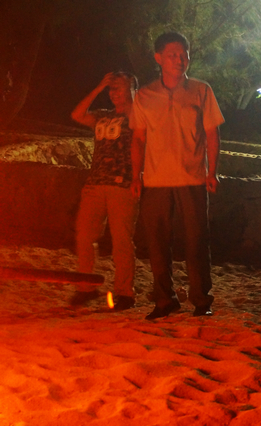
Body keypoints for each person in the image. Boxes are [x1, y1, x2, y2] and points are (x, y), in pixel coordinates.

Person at [130, 32, 225, 319]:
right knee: (157, 243)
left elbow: (212, 134)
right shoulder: (144, 95)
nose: (179, 60)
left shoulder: (201, 91)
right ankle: (164, 300)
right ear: (158, 58)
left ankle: (201, 300)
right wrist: (136, 176)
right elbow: (138, 138)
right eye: (172, 55)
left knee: (196, 242)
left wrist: (212, 171)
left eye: (184, 54)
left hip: (192, 178)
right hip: (156, 181)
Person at [71, 71, 138, 311]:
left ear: (132, 89)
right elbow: (77, 114)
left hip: (122, 184)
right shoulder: (103, 116)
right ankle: (86, 286)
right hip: (95, 183)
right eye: (112, 88)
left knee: (122, 240)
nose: (114, 92)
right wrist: (98, 87)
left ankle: (125, 292)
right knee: (84, 236)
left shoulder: (137, 115)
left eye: (119, 87)